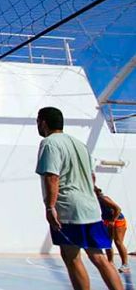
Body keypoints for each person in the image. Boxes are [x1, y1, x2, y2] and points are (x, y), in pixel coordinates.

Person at [35, 107, 123, 290]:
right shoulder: (79, 144)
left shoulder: (50, 143)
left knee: (71, 256)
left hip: (69, 209)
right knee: (99, 257)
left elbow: (52, 176)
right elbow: (92, 177)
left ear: (43, 123)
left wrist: (50, 207)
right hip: (90, 208)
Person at [95, 187, 130, 273]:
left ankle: (125, 264)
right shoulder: (95, 200)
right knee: (107, 242)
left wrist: (113, 221)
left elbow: (118, 209)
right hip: (107, 221)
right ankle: (110, 262)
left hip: (117, 220)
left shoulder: (103, 198)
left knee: (118, 242)